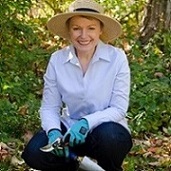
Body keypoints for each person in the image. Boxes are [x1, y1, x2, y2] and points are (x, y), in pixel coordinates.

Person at [22, 0, 133, 170]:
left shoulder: (117, 58)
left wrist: (86, 122)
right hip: (68, 130)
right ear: (69, 30)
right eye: (76, 28)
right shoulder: (57, 60)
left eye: (91, 28)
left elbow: (119, 109)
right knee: (34, 153)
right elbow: (49, 107)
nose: (83, 35)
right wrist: (53, 131)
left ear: (100, 29)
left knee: (111, 138)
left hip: (105, 131)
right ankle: (74, 165)